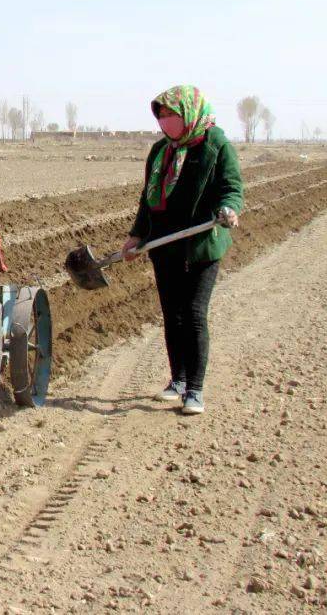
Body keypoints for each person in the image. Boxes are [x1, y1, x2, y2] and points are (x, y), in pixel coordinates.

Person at [121, 85, 244, 415]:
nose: (166, 122)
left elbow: (231, 188)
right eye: (161, 117)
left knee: (193, 314)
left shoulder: (216, 145)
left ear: (188, 113)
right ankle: (177, 380)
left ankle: (195, 389)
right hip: (164, 246)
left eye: (171, 115)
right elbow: (148, 200)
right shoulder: (161, 151)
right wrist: (137, 235)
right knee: (172, 315)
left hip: (201, 245)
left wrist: (229, 209)